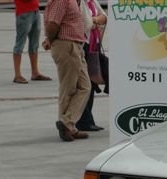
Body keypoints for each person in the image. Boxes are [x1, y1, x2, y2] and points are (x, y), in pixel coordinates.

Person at [42, 0, 91, 142]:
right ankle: (67, 126)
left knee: (85, 86)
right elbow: (53, 23)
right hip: (66, 45)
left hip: (75, 46)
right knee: (68, 88)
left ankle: (67, 123)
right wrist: (49, 39)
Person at [76, 0, 106, 132]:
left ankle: (88, 120)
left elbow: (105, 17)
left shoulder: (92, 2)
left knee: (92, 83)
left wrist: (94, 20)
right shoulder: (80, 3)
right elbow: (85, 25)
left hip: (94, 46)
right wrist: (96, 20)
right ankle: (83, 120)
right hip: (84, 47)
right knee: (84, 84)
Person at [12, 0, 51, 84]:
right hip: (24, 12)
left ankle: (35, 72)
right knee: (20, 44)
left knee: (34, 44)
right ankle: (17, 75)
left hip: (35, 11)